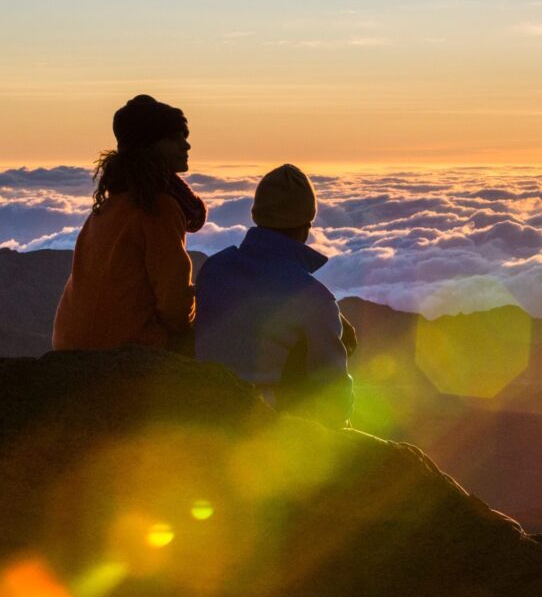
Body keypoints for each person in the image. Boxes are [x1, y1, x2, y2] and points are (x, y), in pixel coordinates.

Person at [195, 164, 356, 427]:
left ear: (257, 217)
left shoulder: (214, 268)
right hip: (267, 430)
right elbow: (334, 397)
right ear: (306, 226)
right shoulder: (313, 298)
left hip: (204, 412)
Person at [52, 94, 205, 352]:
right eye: (174, 137)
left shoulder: (109, 205)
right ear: (149, 146)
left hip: (70, 342)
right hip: (123, 345)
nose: (186, 145)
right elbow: (173, 299)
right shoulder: (157, 208)